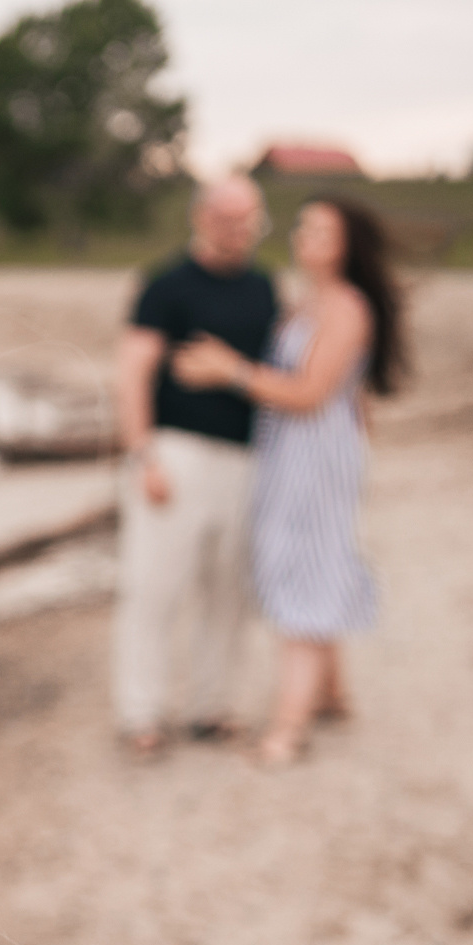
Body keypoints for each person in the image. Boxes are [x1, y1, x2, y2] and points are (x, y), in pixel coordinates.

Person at [173, 195, 408, 767]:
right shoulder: (307, 300)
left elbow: (308, 394)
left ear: (347, 247)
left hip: (314, 455)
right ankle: (332, 694)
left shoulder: (346, 307)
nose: (304, 235)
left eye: (321, 230)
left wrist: (228, 369)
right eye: (304, 225)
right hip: (291, 451)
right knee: (315, 559)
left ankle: (289, 727)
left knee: (305, 567)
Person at [109, 177, 280, 758]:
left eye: (249, 219)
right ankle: (141, 714)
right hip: (175, 452)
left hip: (246, 457)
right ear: (201, 218)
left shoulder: (264, 287)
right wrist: (142, 455)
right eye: (228, 218)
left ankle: (213, 707)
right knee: (154, 589)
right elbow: (132, 373)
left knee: (229, 593)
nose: (239, 230)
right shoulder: (165, 285)